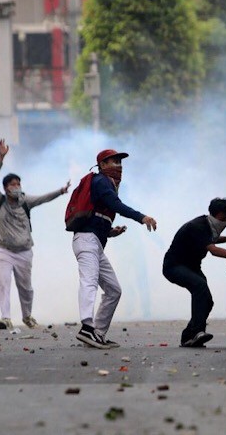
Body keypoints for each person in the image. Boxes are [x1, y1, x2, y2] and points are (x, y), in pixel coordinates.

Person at [72, 149, 157, 349]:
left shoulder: (107, 184)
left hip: (95, 242)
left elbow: (98, 215)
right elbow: (116, 205)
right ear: (101, 165)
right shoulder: (101, 181)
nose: (118, 166)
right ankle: (86, 327)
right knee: (89, 281)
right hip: (86, 241)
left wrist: (110, 232)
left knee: (114, 290)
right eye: (113, 161)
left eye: (120, 162)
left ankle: (97, 333)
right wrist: (142, 217)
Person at [0, 139, 69, 330]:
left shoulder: (26, 201)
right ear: (6, 187)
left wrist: (61, 191)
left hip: (24, 252)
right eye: (12, 184)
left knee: (26, 289)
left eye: (18, 183)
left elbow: (44, 198)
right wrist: (1, 158)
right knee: (2, 281)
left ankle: (27, 316)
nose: (16, 187)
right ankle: (5, 317)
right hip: (3, 251)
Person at [163, 198, 226, 348]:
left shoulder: (208, 227)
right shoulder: (198, 226)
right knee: (199, 286)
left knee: (207, 301)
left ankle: (188, 336)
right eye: (223, 218)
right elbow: (213, 250)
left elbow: (213, 239)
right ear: (215, 214)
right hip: (174, 267)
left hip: (192, 267)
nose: (225, 223)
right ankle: (197, 332)